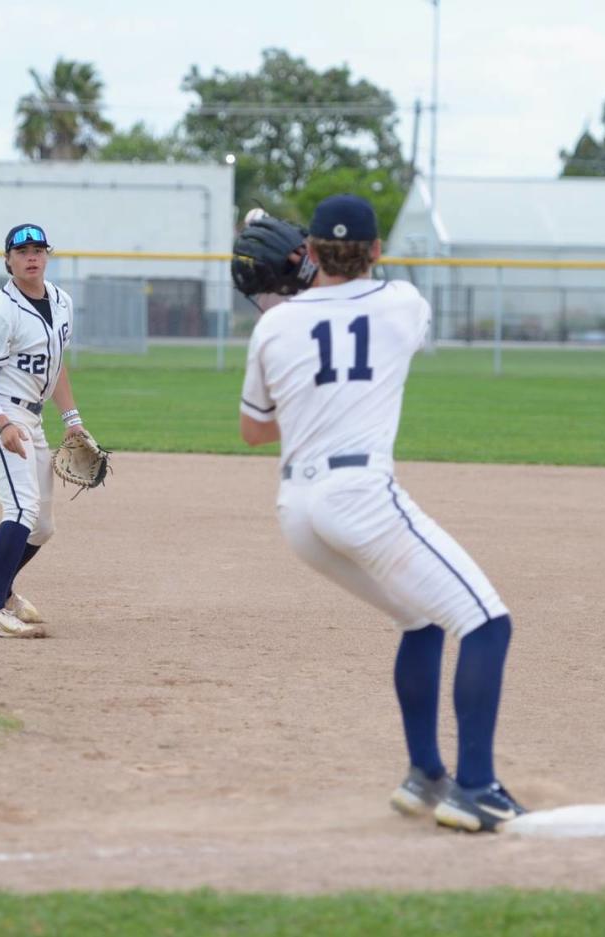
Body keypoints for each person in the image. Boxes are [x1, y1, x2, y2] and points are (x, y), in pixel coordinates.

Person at [237, 194, 526, 832]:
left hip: (298, 512)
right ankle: (476, 787)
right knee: (487, 625)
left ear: (311, 251)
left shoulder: (273, 326)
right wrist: (310, 285)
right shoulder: (405, 303)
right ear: (375, 251)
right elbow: (355, 326)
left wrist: (281, 303)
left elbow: (254, 431)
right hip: (361, 496)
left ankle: (426, 775)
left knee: (420, 619)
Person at [0, 223, 89, 638]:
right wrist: (2, 424)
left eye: (38, 249)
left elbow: (55, 368)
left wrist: (73, 421)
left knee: (42, 526)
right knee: (20, 508)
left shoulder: (62, 301)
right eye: (22, 251)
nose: (31, 256)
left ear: (47, 256)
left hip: (30, 419)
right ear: (9, 260)